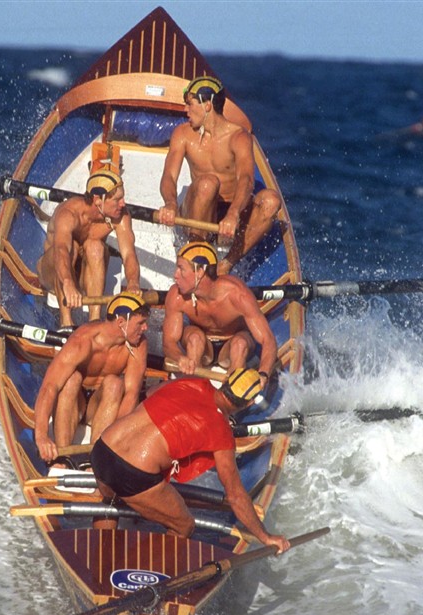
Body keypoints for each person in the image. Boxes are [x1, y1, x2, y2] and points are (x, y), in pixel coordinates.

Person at [89, 367, 289, 551]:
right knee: (184, 525)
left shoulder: (193, 382)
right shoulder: (221, 432)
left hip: (102, 449)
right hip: (133, 473)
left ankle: (101, 554)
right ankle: (144, 572)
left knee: (111, 499)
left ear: (226, 380)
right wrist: (265, 536)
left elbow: (151, 393)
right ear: (249, 403)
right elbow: (235, 496)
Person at [157, 76, 282, 275]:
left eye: (190, 104)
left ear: (207, 105)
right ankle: (195, 257)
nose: (185, 110)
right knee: (208, 183)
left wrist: (233, 214)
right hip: (198, 212)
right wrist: (170, 203)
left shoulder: (239, 137)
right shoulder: (182, 134)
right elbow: (169, 177)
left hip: (230, 215)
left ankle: (225, 265)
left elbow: (247, 180)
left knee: (272, 200)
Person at [33, 292, 149, 469]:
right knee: (72, 379)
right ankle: (62, 457)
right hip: (75, 401)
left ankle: (96, 459)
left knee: (114, 383)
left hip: (100, 404)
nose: (145, 328)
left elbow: (131, 394)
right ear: (121, 322)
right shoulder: (83, 340)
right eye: (140, 323)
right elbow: (50, 386)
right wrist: (41, 436)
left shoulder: (138, 344)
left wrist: (116, 442)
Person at [162, 240, 279, 385]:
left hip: (231, 345)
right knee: (195, 339)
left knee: (240, 344)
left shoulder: (238, 295)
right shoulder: (176, 296)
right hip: (203, 345)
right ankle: (192, 385)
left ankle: (234, 389)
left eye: (181, 269)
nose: (175, 275)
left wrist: (263, 373)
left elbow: (268, 340)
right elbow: (168, 342)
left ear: (200, 272)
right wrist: (180, 358)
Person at [37, 168, 142, 328]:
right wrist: (67, 282)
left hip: (84, 277)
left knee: (95, 246)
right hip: (53, 275)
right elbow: (61, 250)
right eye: (117, 199)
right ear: (98, 200)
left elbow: (129, 255)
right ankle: (66, 323)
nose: (123, 204)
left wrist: (133, 283)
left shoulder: (121, 216)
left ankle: (94, 321)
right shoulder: (69, 214)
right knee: (71, 246)